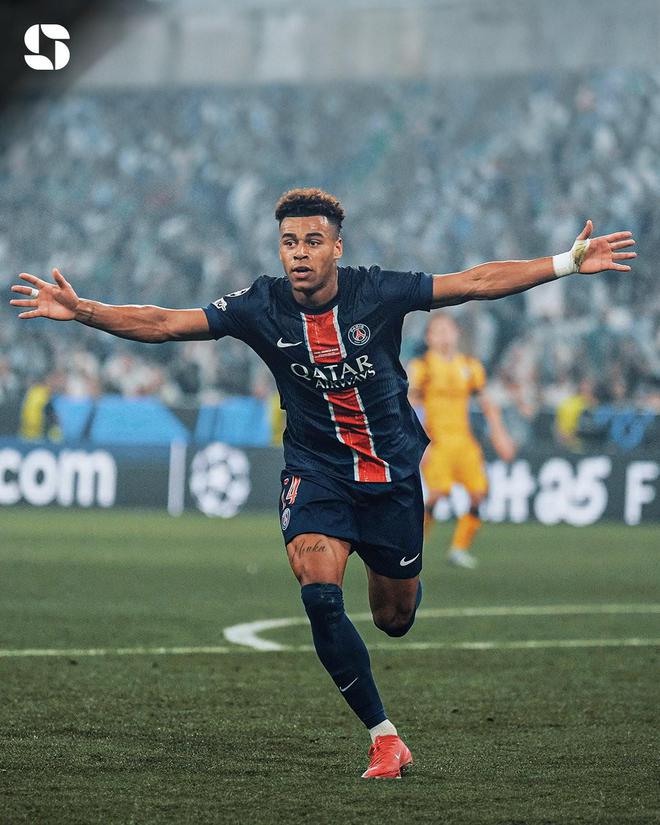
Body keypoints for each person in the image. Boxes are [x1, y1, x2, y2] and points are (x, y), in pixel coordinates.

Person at [10, 188, 636, 779]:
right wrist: (83, 310)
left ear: (337, 247)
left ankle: (393, 583)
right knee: (319, 593)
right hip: (316, 473)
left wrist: (565, 263)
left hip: (390, 476)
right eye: (290, 242)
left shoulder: (378, 292)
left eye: (313, 241)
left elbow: (473, 281)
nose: (300, 253)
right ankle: (384, 736)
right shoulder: (260, 305)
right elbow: (167, 323)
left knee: (394, 617)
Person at [408, 313, 516, 569]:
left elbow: (486, 403)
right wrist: (417, 442)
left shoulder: (470, 366)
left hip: (464, 442)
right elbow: (412, 405)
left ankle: (459, 549)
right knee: (436, 494)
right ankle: (413, 549)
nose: (444, 335)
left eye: (448, 329)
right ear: (429, 337)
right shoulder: (422, 367)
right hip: (437, 442)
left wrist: (500, 434)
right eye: (438, 330)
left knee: (479, 494)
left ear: (457, 334)